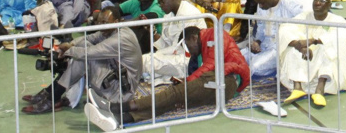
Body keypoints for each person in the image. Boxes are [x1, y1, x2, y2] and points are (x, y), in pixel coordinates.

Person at [85, 24, 249, 129]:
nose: (189, 49)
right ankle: (121, 119)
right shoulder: (199, 51)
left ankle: (115, 107)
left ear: (193, 37)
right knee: (175, 101)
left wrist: (188, 82)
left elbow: (212, 65)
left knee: (176, 93)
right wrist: (189, 81)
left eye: (187, 44)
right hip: (218, 88)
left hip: (227, 81)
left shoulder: (215, 35)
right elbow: (203, 70)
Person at [23, 5, 142, 114]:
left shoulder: (121, 39)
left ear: (116, 22)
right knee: (82, 47)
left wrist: (67, 50)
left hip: (120, 92)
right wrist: (70, 44)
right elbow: (90, 37)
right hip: (116, 78)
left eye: (104, 22)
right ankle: (51, 94)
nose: (101, 25)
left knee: (83, 58)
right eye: (99, 22)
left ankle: (52, 97)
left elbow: (89, 53)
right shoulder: (111, 29)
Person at [278, 0, 346, 108]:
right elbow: (285, 28)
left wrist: (313, 41)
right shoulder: (305, 16)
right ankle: (297, 87)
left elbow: (339, 37)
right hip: (305, 56)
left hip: (323, 60)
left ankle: (319, 90)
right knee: (291, 49)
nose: (317, 3)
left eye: (322, 0)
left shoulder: (337, 20)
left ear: (329, 5)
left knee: (326, 49)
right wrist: (299, 46)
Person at [143, 0, 204, 84]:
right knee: (148, 60)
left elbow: (179, 48)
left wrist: (159, 55)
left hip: (189, 59)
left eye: (162, 1)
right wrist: (153, 33)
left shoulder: (189, 13)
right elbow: (165, 45)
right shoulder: (168, 16)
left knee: (147, 61)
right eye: (159, 3)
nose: (161, 5)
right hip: (175, 55)